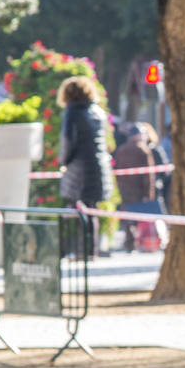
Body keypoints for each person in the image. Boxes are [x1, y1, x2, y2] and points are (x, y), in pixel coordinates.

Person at [57, 75, 113, 257]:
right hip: (98, 165)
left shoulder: (72, 112)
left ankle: (81, 252)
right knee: (91, 211)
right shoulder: (97, 111)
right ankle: (91, 251)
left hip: (79, 168)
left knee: (79, 211)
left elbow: (67, 141)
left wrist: (63, 162)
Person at [111, 122, 166, 252]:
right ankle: (146, 241)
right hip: (139, 191)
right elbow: (149, 175)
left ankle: (130, 242)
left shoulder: (121, 150)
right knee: (144, 217)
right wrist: (149, 193)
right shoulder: (144, 150)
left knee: (128, 218)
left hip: (124, 190)